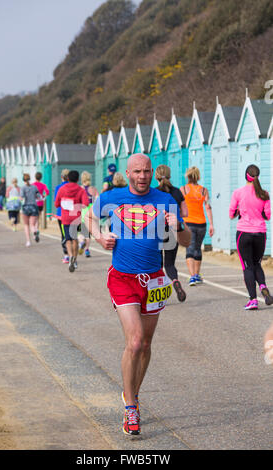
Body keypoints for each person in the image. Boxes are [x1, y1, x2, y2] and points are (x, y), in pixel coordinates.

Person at [85, 153, 191, 436]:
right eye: (137, 172)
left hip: (155, 280)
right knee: (133, 342)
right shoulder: (112, 196)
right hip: (122, 277)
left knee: (145, 345)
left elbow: (186, 241)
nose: (142, 176)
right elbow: (89, 217)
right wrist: (99, 236)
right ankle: (131, 406)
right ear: (128, 173)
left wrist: (178, 225)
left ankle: (132, 393)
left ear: (152, 172)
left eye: (147, 171)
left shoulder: (165, 199)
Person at [229, 164, 273, 310]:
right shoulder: (264, 194)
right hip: (260, 233)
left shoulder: (238, 193)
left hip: (244, 233)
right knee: (257, 264)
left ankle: (253, 300)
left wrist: (240, 211)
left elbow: (231, 214)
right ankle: (263, 287)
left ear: (246, 175)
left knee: (247, 267)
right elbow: (267, 216)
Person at [155, 164, 188, 302]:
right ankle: (175, 281)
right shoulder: (177, 192)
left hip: (155, 232)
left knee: (157, 266)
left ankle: (160, 295)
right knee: (169, 264)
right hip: (172, 231)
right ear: (170, 175)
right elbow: (185, 212)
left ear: (155, 176)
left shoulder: (153, 193)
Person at [180, 167, 214, 286]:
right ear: (198, 177)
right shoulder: (204, 190)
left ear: (187, 176)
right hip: (201, 223)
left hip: (188, 223)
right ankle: (197, 275)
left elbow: (180, 207)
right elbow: (208, 207)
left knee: (190, 248)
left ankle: (192, 276)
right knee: (198, 248)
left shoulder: (183, 189)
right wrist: (211, 224)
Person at [55, 170, 89, 273]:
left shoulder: (61, 189)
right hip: (76, 218)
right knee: (75, 239)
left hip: (65, 218)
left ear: (68, 178)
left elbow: (56, 204)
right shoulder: (81, 190)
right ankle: (74, 258)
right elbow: (86, 204)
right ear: (78, 179)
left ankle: (70, 257)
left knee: (67, 239)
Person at [78, 171, 99, 258]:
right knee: (89, 232)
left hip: (83, 209)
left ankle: (81, 241)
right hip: (90, 210)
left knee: (81, 231)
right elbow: (98, 199)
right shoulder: (93, 189)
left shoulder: (79, 188)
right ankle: (87, 249)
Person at [54, 169, 70, 263]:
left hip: (61, 214)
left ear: (61, 177)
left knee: (63, 234)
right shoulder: (73, 187)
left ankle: (66, 255)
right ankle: (72, 255)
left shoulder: (58, 188)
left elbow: (57, 202)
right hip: (72, 213)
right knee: (72, 234)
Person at [21, 173, 40, 247]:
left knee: (26, 225)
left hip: (26, 207)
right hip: (34, 206)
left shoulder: (23, 188)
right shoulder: (34, 187)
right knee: (32, 224)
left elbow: (22, 197)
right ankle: (35, 231)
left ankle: (28, 241)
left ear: (24, 180)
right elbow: (38, 196)